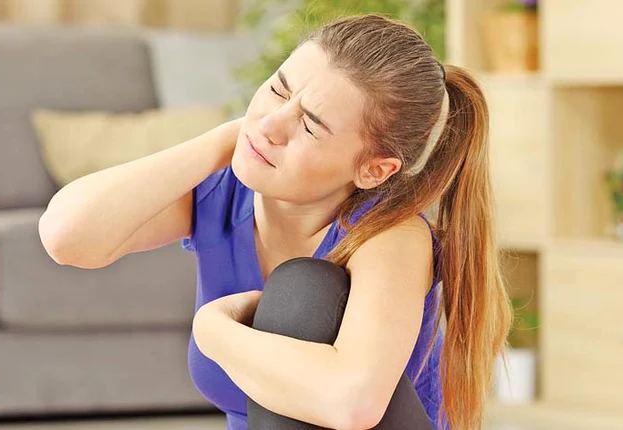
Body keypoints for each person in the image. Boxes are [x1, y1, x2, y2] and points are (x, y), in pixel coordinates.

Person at [38, 14, 512, 430]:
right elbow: (67, 238)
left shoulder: (391, 234)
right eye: (277, 89)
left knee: (304, 289)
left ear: (373, 170)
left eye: (309, 125)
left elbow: (352, 403)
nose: (270, 125)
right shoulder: (223, 192)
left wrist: (214, 330)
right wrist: (225, 140)